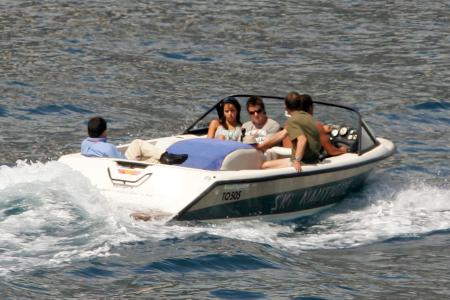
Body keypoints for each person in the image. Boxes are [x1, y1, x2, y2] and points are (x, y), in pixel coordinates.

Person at [257, 92, 322, 172]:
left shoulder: (292, 121)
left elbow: (302, 139)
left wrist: (297, 160)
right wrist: (260, 146)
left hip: (304, 162)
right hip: (314, 159)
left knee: (264, 166)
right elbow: (281, 135)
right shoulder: (307, 116)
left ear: (286, 107)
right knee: (268, 160)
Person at [81, 116, 187, 164]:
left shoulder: (84, 144)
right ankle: (164, 157)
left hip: (105, 163)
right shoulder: (109, 148)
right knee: (145, 150)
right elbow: (123, 162)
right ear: (104, 132)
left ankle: (164, 156)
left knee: (138, 145)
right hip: (127, 165)